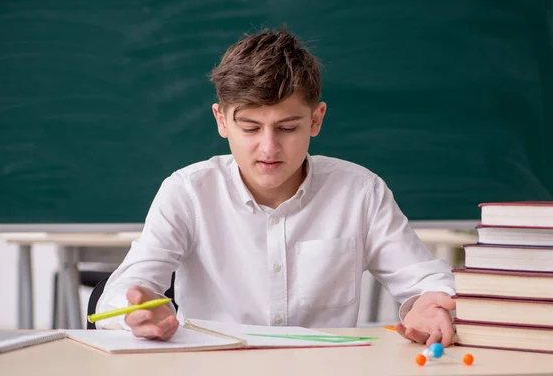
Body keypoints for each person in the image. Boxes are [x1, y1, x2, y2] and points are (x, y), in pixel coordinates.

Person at [96, 26, 456, 346]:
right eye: (250, 128)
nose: (268, 148)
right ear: (221, 120)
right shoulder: (188, 192)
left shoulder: (359, 192)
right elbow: (122, 292)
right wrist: (135, 311)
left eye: (287, 128)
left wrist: (429, 302)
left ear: (316, 120)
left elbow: (429, 280)